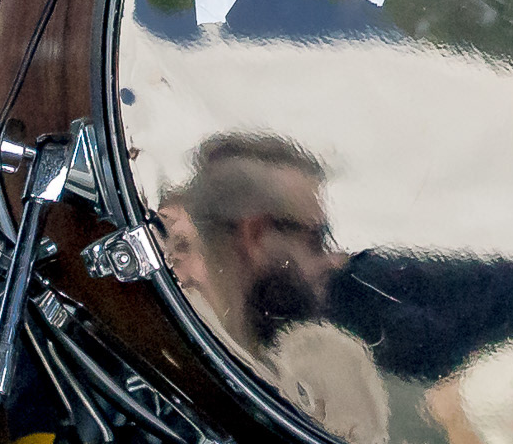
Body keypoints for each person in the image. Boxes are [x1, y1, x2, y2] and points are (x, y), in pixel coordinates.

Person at [163, 133, 389, 444]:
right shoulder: (167, 386)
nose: (335, 260)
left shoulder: (329, 361)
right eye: (317, 238)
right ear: (255, 235)